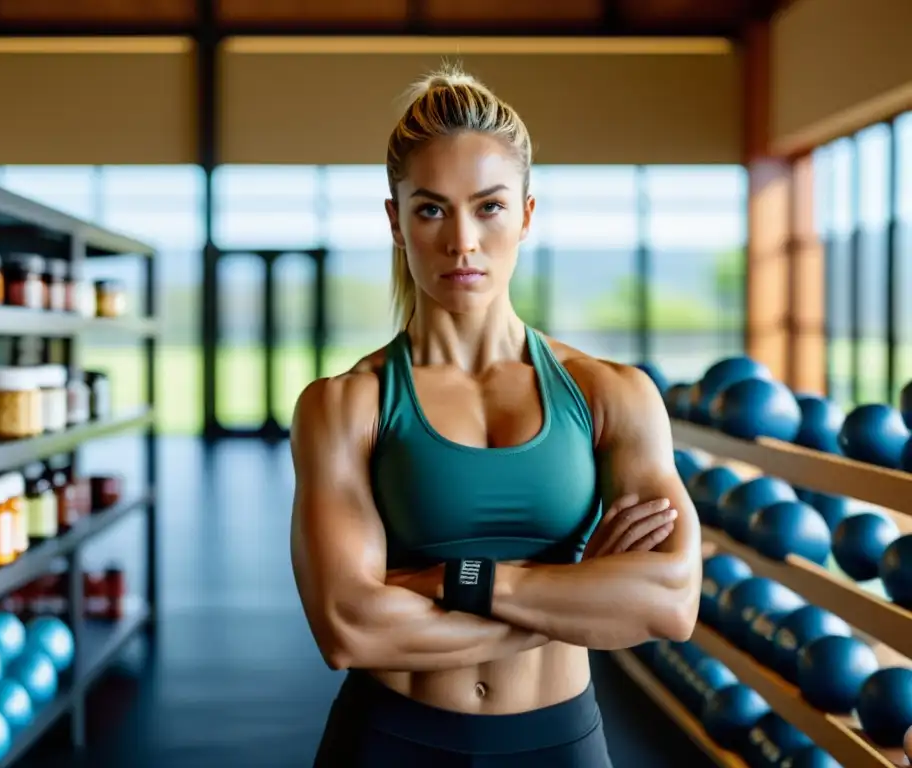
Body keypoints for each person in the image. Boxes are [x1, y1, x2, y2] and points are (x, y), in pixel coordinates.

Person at [289, 65, 702, 767]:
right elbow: (351, 629)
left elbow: (667, 602)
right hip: (392, 740)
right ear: (395, 220)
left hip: (558, 744)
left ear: (526, 215)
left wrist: (457, 581)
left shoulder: (612, 395)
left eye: (488, 207)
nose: (461, 242)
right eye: (430, 209)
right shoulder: (345, 404)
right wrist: (574, 596)